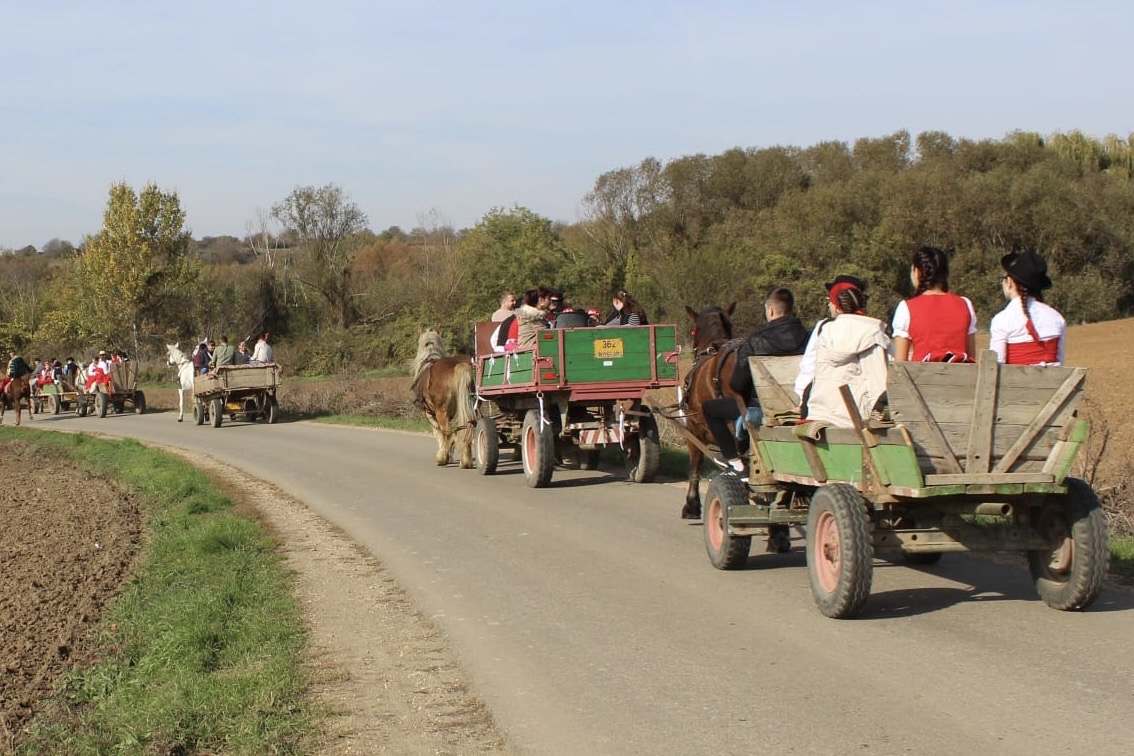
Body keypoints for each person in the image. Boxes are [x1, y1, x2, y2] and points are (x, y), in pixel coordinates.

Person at [702, 288, 810, 473]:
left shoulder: (755, 341)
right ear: (791, 309)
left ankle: (734, 460)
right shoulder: (810, 337)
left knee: (710, 409)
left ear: (770, 310)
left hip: (764, 409)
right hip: (805, 407)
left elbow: (736, 384)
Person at [803, 280, 891, 426]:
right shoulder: (873, 333)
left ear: (837, 307)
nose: (829, 305)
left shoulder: (825, 332)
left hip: (819, 415)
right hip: (855, 419)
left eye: (830, 302)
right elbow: (879, 384)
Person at [891, 246, 977, 362]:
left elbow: (900, 364)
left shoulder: (906, 308)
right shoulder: (965, 304)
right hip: (961, 378)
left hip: (922, 378)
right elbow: (971, 356)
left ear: (917, 272)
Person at [794, 274, 869, 403]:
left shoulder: (824, 328)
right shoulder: (873, 328)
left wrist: (803, 400)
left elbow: (809, 366)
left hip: (824, 399)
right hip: (862, 398)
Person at [989, 251, 1065, 365]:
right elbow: (1060, 363)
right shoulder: (1057, 318)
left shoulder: (1002, 320)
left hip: (1014, 383)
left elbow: (995, 366)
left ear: (1009, 282)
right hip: (1055, 382)